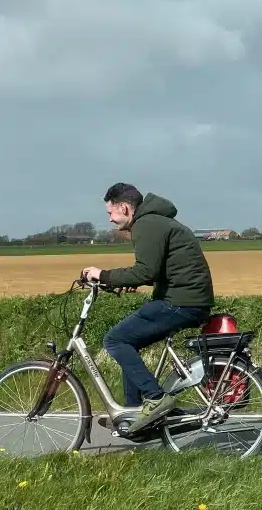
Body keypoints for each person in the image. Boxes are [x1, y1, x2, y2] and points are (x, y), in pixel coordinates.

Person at [80, 182, 215, 432]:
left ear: (124, 207)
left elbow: (145, 270)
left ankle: (155, 399)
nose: (110, 219)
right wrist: (131, 280)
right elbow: (160, 269)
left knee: (116, 340)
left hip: (182, 302)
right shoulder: (155, 221)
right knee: (128, 342)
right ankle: (135, 419)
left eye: (111, 212)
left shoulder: (146, 224)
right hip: (188, 298)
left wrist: (103, 274)